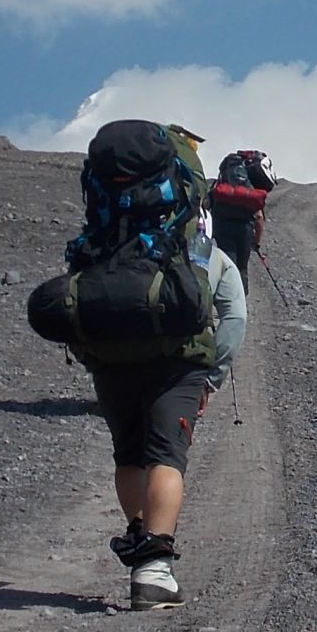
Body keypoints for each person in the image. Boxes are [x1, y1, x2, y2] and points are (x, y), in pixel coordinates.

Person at [96, 208, 247, 610]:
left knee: (129, 453)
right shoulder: (206, 253)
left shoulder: (111, 237)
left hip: (111, 362)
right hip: (178, 366)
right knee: (165, 457)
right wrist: (212, 377)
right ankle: (153, 572)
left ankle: (139, 538)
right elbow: (236, 315)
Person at [209, 149, 276, 294]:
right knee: (241, 268)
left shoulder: (225, 178)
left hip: (223, 226)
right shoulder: (251, 185)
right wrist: (256, 242)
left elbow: (210, 202)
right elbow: (258, 217)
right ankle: (240, 304)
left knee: (226, 265)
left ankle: (223, 301)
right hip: (245, 228)